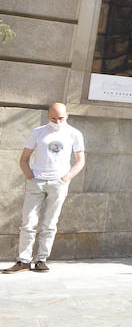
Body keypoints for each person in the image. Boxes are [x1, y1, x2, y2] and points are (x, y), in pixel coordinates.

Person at [7, 103, 85, 274]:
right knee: (28, 222)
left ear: (67, 115)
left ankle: (41, 259)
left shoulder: (74, 134)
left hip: (58, 183)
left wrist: (65, 178)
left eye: (61, 118)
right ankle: (23, 260)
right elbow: (24, 158)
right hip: (37, 182)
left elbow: (80, 161)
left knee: (49, 223)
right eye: (53, 118)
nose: (57, 121)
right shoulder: (38, 132)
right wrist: (30, 176)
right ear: (48, 115)